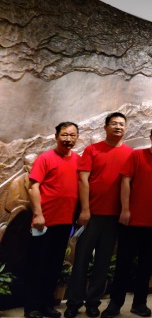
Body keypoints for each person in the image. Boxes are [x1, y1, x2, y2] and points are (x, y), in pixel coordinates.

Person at [101, 123, 152, 318]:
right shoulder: (137, 156)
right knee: (123, 264)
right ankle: (115, 304)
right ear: (151, 137)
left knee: (146, 266)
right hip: (131, 221)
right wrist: (125, 209)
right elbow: (125, 182)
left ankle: (139, 304)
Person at [65, 112, 133, 318]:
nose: (118, 127)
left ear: (126, 128)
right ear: (105, 127)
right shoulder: (92, 150)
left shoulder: (130, 154)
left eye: (121, 124)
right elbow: (83, 180)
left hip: (114, 218)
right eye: (114, 123)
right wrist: (85, 210)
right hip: (91, 215)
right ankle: (74, 303)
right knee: (81, 260)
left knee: (103, 262)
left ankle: (93, 302)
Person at [24, 122, 80, 318]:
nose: (68, 139)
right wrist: (38, 214)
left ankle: (47, 305)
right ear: (56, 136)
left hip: (65, 222)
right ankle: (32, 308)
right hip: (44, 221)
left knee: (54, 266)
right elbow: (33, 187)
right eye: (64, 135)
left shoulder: (78, 160)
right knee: (37, 265)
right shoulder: (45, 158)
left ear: (77, 138)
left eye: (72, 135)